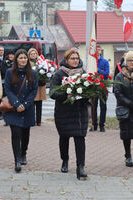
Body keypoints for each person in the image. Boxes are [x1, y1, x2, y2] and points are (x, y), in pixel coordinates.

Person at [50, 49, 89, 180]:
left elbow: (89, 90)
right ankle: (65, 160)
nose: (75, 60)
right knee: (64, 137)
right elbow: (52, 93)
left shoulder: (83, 73)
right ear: (66, 60)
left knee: (80, 138)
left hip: (79, 112)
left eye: (77, 58)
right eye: (72, 58)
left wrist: (87, 96)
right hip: (64, 112)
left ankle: (81, 167)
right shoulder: (59, 74)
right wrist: (65, 95)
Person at [4, 49, 38, 173]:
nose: (23, 60)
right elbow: (7, 89)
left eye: (25, 58)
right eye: (21, 58)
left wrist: (25, 104)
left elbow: (34, 91)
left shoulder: (33, 73)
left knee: (25, 134)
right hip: (14, 108)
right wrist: (17, 103)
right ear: (16, 59)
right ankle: (17, 160)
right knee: (15, 133)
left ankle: (23, 153)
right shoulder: (10, 72)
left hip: (27, 108)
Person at [90, 45, 110, 132]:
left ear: (101, 51)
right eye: (96, 50)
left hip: (102, 85)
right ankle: (94, 124)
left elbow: (106, 73)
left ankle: (102, 125)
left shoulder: (105, 62)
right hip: (93, 86)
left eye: (99, 50)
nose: (97, 51)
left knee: (103, 106)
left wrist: (98, 70)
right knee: (93, 106)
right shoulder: (92, 61)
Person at [28, 48, 47, 126]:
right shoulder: (28, 63)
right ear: (29, 55)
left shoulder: (41, 62)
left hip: (40, 86)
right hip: (32, 86)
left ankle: (38, 121)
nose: (33, 55)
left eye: (35, 54)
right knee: (31, 104)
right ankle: (31, 120)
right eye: (31, 54)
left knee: (39, 104)